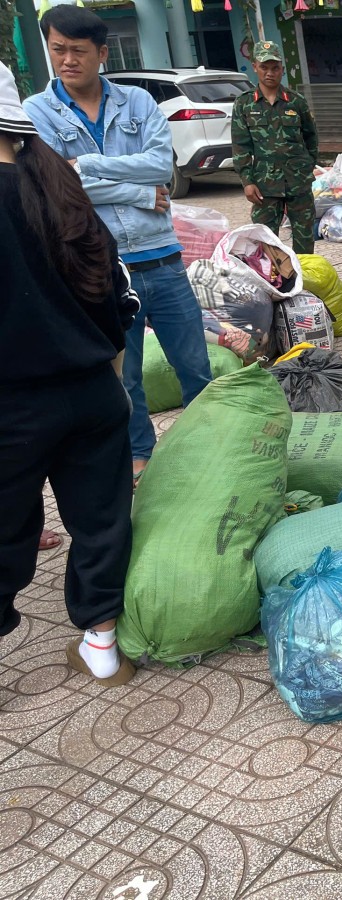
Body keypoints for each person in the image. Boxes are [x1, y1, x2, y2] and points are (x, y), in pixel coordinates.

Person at [24, 5, 211, 489]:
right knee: (124, 377)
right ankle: (140, 456)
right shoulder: (35, 112)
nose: (67, 60)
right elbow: (52, 188)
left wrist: (84, 167)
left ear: (102, 54)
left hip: (161, 256)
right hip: (96, 265)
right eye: (57, 49)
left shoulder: (139, 103)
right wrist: (139, 191)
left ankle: (212, 440)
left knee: (195, 364)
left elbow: (159, 165)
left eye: (78, 51)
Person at [0, 61, 139, 686]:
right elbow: (118, 295)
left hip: (10, 408)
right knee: (100, 519)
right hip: (91, 394)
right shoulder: (58, 190)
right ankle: (101, 645)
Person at [231, 40, 320, 255]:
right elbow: (241, 146)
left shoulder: (296, 101)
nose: (269, 73)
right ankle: (275, 284)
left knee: (305, 240)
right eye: (264, 67)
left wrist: (307, 167)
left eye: (275, 68)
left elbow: (311, 138)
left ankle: (304, 282)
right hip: (265, 185)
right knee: (265, 241)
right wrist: (247, 181)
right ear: (255, 66)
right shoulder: (244, 104)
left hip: (298, 182)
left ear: (282, 69)